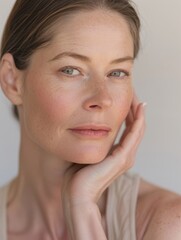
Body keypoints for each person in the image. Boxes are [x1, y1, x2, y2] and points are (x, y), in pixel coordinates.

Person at [0, 0, 181, 239]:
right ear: (12, 81)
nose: (102, 99)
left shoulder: (167, 223)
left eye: (117, 73)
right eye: (71, 70)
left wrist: (82, 207)